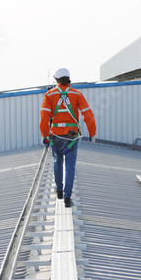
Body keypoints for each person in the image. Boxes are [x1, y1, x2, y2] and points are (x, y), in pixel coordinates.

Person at [40, 68, 96, 208]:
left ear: (56, 80)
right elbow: (87, 114)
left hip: (55, 136)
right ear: (68, 79)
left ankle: (59, 191)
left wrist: (45, 135)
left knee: (57, 162)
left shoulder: (49, 95)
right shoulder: (76, 94)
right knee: (70, 166)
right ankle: (67, 197)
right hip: (71, 137)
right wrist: (92, 133)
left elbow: (44, 117)